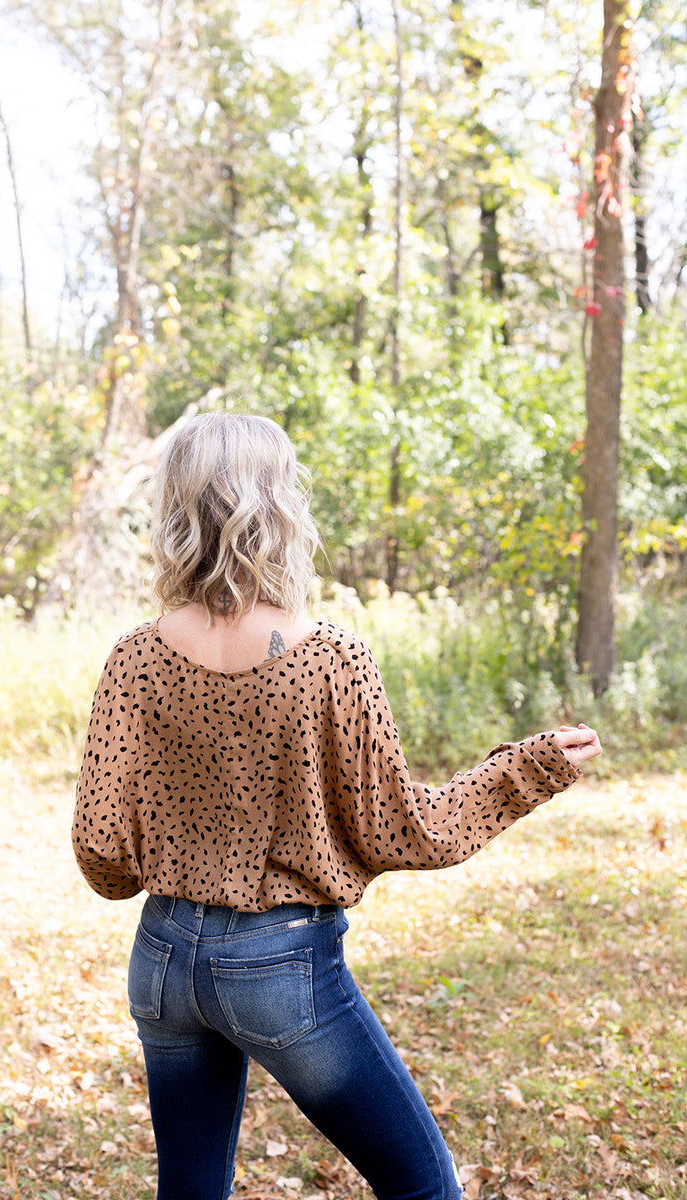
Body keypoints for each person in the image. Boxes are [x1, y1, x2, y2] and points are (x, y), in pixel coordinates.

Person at [72, 411, 602, 1200]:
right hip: (282, 966)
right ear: (280, 507)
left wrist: (165, 878)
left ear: (175, 510)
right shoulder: (331, 659)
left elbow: (99, 846)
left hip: (163, 961)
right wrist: (527, 769)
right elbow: (404, 830)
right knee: (423, 1186)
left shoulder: (136, 657)